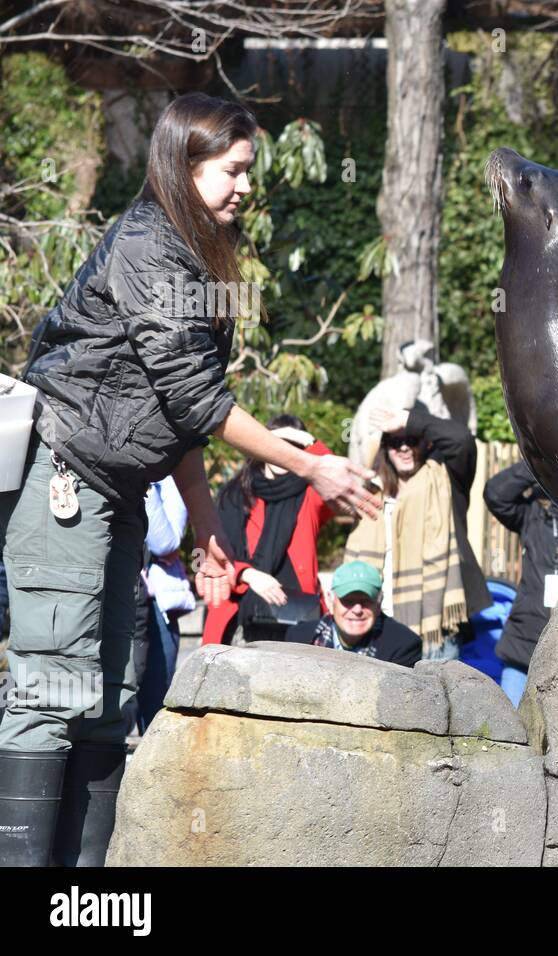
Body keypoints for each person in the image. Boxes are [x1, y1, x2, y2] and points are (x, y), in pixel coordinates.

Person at [0, 93, 378, 868]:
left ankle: (83, 899)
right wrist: (309, 464)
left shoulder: (200, 260)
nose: (245, 186)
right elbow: (198, 399)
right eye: (232, 169)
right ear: (185, 162)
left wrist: (208, 530)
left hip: (122, 493)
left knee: (110, 699)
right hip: (64, 478)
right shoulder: (149, 245)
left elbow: (181, 419)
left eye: (249, 171)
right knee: (53, 691)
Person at [347, 399, 491, 662]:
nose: (403, 448)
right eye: (395, 442)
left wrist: (407, 420)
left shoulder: (446, 479)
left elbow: (461, 439)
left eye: (412, 439)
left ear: (426, 442)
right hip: (377, 624)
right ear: (385, 448)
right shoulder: (372, 494)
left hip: (432, 627)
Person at [202, 416, 336, 645]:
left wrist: (304, 438)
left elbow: (334, 472)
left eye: (292, 447)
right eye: (274, 446)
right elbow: (211, 554)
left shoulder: (310, 495)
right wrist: (248, 574)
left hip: (298, 617)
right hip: (239, 618)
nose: (282, 453)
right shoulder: (234, 495)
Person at [484, 460, 558, 707]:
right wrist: (539, 460)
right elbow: (496, 493)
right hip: (522, 647)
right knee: (511, 731)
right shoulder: (533, 514)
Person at [135, 477, 195, 733]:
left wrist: (143, 487)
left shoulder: (168, 481)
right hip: (116, 601)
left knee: (156, 702)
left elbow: (165, 543)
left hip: (158, 606)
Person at [284, 561, 420, 667]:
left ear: (379, 603)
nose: (357, 610)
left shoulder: (403, 646)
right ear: (331, 601)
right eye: (348, 601)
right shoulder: (298, 638)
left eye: (366, 601)